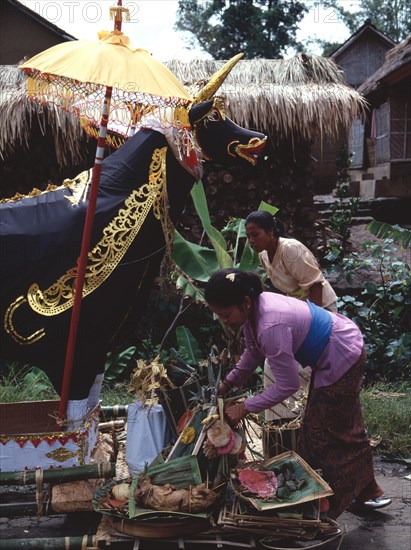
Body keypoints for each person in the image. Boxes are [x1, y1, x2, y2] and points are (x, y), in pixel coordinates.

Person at [204, 268, 391, 519]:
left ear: (245, 302)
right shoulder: (253, 312)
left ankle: (326, 510)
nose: (224, 320)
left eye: (225, 314)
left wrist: (246, 406)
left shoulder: (270, 324)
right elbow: (253, 352)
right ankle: (368, 492)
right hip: (338, 347)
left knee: (320, 435)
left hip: (343, 354)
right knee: (344, 426)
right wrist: (228, 383)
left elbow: (287, 385)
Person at [245, 210, 338, 312]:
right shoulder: (263, 256)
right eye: (248, 236)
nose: (251, 241)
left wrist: (317, 318)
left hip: (321, 307)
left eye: (255, 235)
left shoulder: (290, 249)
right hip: (299, 309)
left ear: (270, 232)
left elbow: (315, 285)